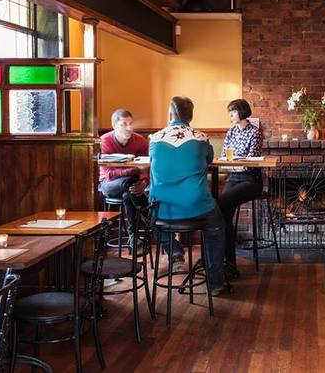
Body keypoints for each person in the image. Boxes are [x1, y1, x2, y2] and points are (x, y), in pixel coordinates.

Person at [149, 96, 227, 293]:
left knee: (150, 219)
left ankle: (175, 250)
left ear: (170, 114)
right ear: (190, 116)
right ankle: (215, 283)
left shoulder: (154, 139)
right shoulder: (201, 138)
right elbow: (209, 159)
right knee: (217, 225)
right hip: (196, 205)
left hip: (162, 207)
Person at [217, 99, 263, 279]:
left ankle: (228, 262)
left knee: (221, 203)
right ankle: (228, 263)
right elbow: (223, 157)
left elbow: (251, 163)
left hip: (251, 180)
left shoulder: (255, 132)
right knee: (222, 211)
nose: (230, 115)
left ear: (242, 112)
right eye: (230, 112)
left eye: (233, 111)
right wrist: (234, 165)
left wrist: (234, 164)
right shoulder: (231, 131)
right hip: (234, 177)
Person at [99, 109, 149, 229]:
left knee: (128, 194)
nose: (129, 128)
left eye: (131, 124)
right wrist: (131, 171)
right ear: (114, 126)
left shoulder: (141, 141)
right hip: (109, 184)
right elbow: (109, 174)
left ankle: (133, 234)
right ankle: (150, 220)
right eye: (124, 124)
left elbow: (146, 168)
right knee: (129, 182)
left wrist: (144, 183)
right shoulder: (105, 140)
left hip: (133, 184)